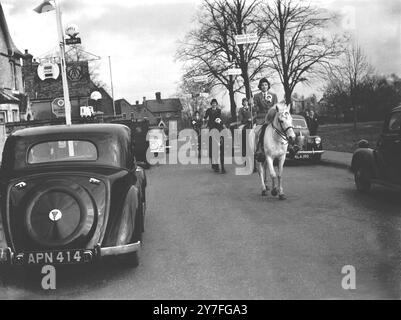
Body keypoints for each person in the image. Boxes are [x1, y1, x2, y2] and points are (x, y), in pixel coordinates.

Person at [253, 78, 278, 160]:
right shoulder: (256, 96)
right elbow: (255, 109)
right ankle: (259, 148)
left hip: (271, 117)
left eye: (266, 85)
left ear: (268, 86)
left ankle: (287, 146)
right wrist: (252, 105)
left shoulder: (274, 96)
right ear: (260, 86)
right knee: (261, 131)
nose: (264, 86)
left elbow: (276, 107)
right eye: (262, 85)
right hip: (261, 118)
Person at [204, 99, 224, 173]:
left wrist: (221, 123)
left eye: (215, 103)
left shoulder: (219, 110)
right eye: (212, 103)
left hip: (218, 126)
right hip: (211, 127)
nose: (214, 104)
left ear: (216, 104)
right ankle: (214, 163)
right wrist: (204, 120)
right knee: (211, 144)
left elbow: (219, 118)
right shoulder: (208, 110)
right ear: (211, 104)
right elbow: (205, 117)